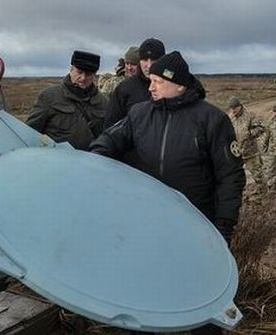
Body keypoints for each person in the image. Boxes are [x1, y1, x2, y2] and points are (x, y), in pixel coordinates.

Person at [90, 52, 245, 335]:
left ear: (180, 85)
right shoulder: (140, 113)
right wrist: (96, 159)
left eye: (158, 81)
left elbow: (231, 177)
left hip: (198, 225)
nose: (150, 87)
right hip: (147, 222)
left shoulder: (212, 120)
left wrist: (223, 227)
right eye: (150, 80)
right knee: (147, 287)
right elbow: (110, 139)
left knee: (199, 290)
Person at [26, 50, 108, 150]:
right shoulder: (49, 96)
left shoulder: (103, 102)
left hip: (91, 158)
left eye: (88, 74)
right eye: (79, 72)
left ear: (94, 76)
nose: (83, 78)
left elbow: (107, 137)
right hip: (57, 157)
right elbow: (30, 132)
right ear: (71, 70)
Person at [103, 38, 165, 129]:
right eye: (144, 59)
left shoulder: (173, 87)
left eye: (154, 60)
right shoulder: (124, 88)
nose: (149, 65)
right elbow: (110, 126)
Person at [227, 97, 268, 194]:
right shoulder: (230, 117)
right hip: (236, 152)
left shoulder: (250, 115)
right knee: (235, 175)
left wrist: (250, 134)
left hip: (250, 152)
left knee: (258, 175)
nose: (233, 111)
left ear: (240, 106)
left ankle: (264, 193)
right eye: (231, 108)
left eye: (235, 108)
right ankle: (239, 194)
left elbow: (261, 128)